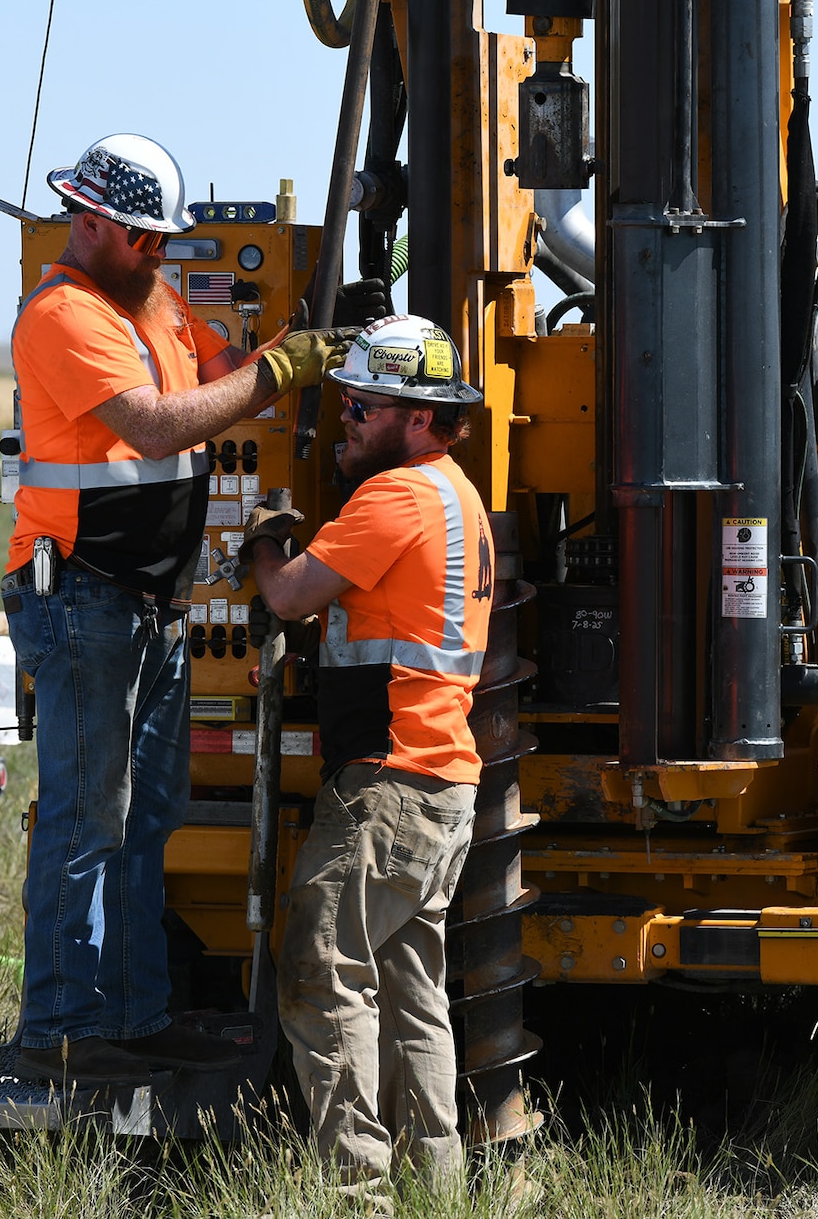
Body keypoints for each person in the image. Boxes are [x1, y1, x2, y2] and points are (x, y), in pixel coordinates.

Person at [4, 133, 352, 1085]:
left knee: (145, 814)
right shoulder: (63, 314)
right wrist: (275, 377)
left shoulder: (149, 297)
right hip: (80, 594)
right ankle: (64, 1033)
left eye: (165, 238)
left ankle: (134, 1014)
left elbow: (221, 369)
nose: (160, 251)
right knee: (86, 819)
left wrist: (301, 350)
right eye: (145, 238)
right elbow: (158, 422)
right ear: (92, 222)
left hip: (148, 602)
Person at [241, 314, 490, 1190]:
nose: (343, 419)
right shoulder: (458, 495)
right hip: (443, 782)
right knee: (411, 988)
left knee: (319, 967)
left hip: (388, 781)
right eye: (343, 402)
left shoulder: (397, 498)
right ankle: (437, 1187)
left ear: (419, 418)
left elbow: (287, 594)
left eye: (363, 407)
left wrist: (265, 530)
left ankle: (357, 1193)